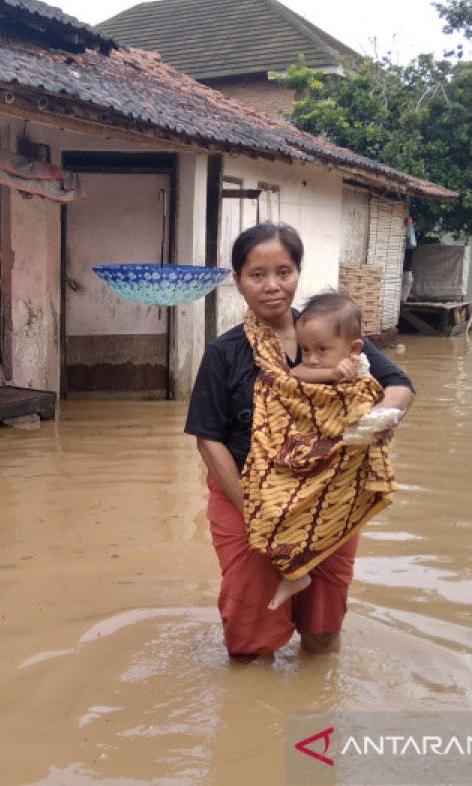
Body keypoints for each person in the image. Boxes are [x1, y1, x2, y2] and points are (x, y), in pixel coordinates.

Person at [185, 222, 415, 658]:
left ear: (297, 273)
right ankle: (253, 717)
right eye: (257, 275)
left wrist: (383, 417)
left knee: (324, 626)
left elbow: (398, 384)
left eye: (284, 271)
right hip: (248, 502)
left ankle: (315, 710)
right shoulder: (225, 353)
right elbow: (208, 441)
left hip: (328, 499)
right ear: (238, 282)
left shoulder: (330, 335)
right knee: (251, 636)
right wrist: (256, 511)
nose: (273, 286)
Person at [244, 292, 399, 612]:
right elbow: (297, 375)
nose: (311, 358)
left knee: (321, 518)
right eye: (305, 350)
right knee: (277, 510)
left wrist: (372, 422)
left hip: (341, 464)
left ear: (354, 349)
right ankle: (295, 572)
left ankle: (297, 575)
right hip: (304, 456)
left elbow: (374, 399)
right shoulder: (314, 367)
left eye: (322, 350)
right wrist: (330, 373)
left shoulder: (363, 368)